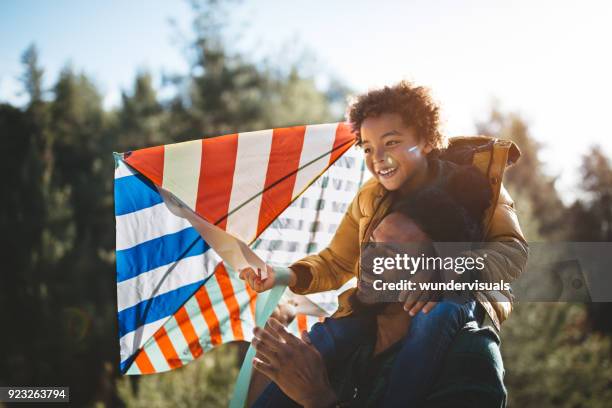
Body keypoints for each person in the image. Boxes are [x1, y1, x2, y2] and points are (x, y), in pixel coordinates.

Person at [240, 80, 528, 333]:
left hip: (449, 308)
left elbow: (512, 253)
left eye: (391, 143)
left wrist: (444, 270)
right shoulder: (369, 197)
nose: (377, 157)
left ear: (426, 141)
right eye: (367, 148)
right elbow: (337, 262)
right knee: (306, 350)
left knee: (437, 316)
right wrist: (284, 275)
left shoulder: (480, 185)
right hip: (375, 315)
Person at [249, 179, 505, 406]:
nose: (368, 259)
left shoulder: (471, 357)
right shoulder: (342, 349)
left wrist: (320, 399)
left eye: (391, 254)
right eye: (371, 243)